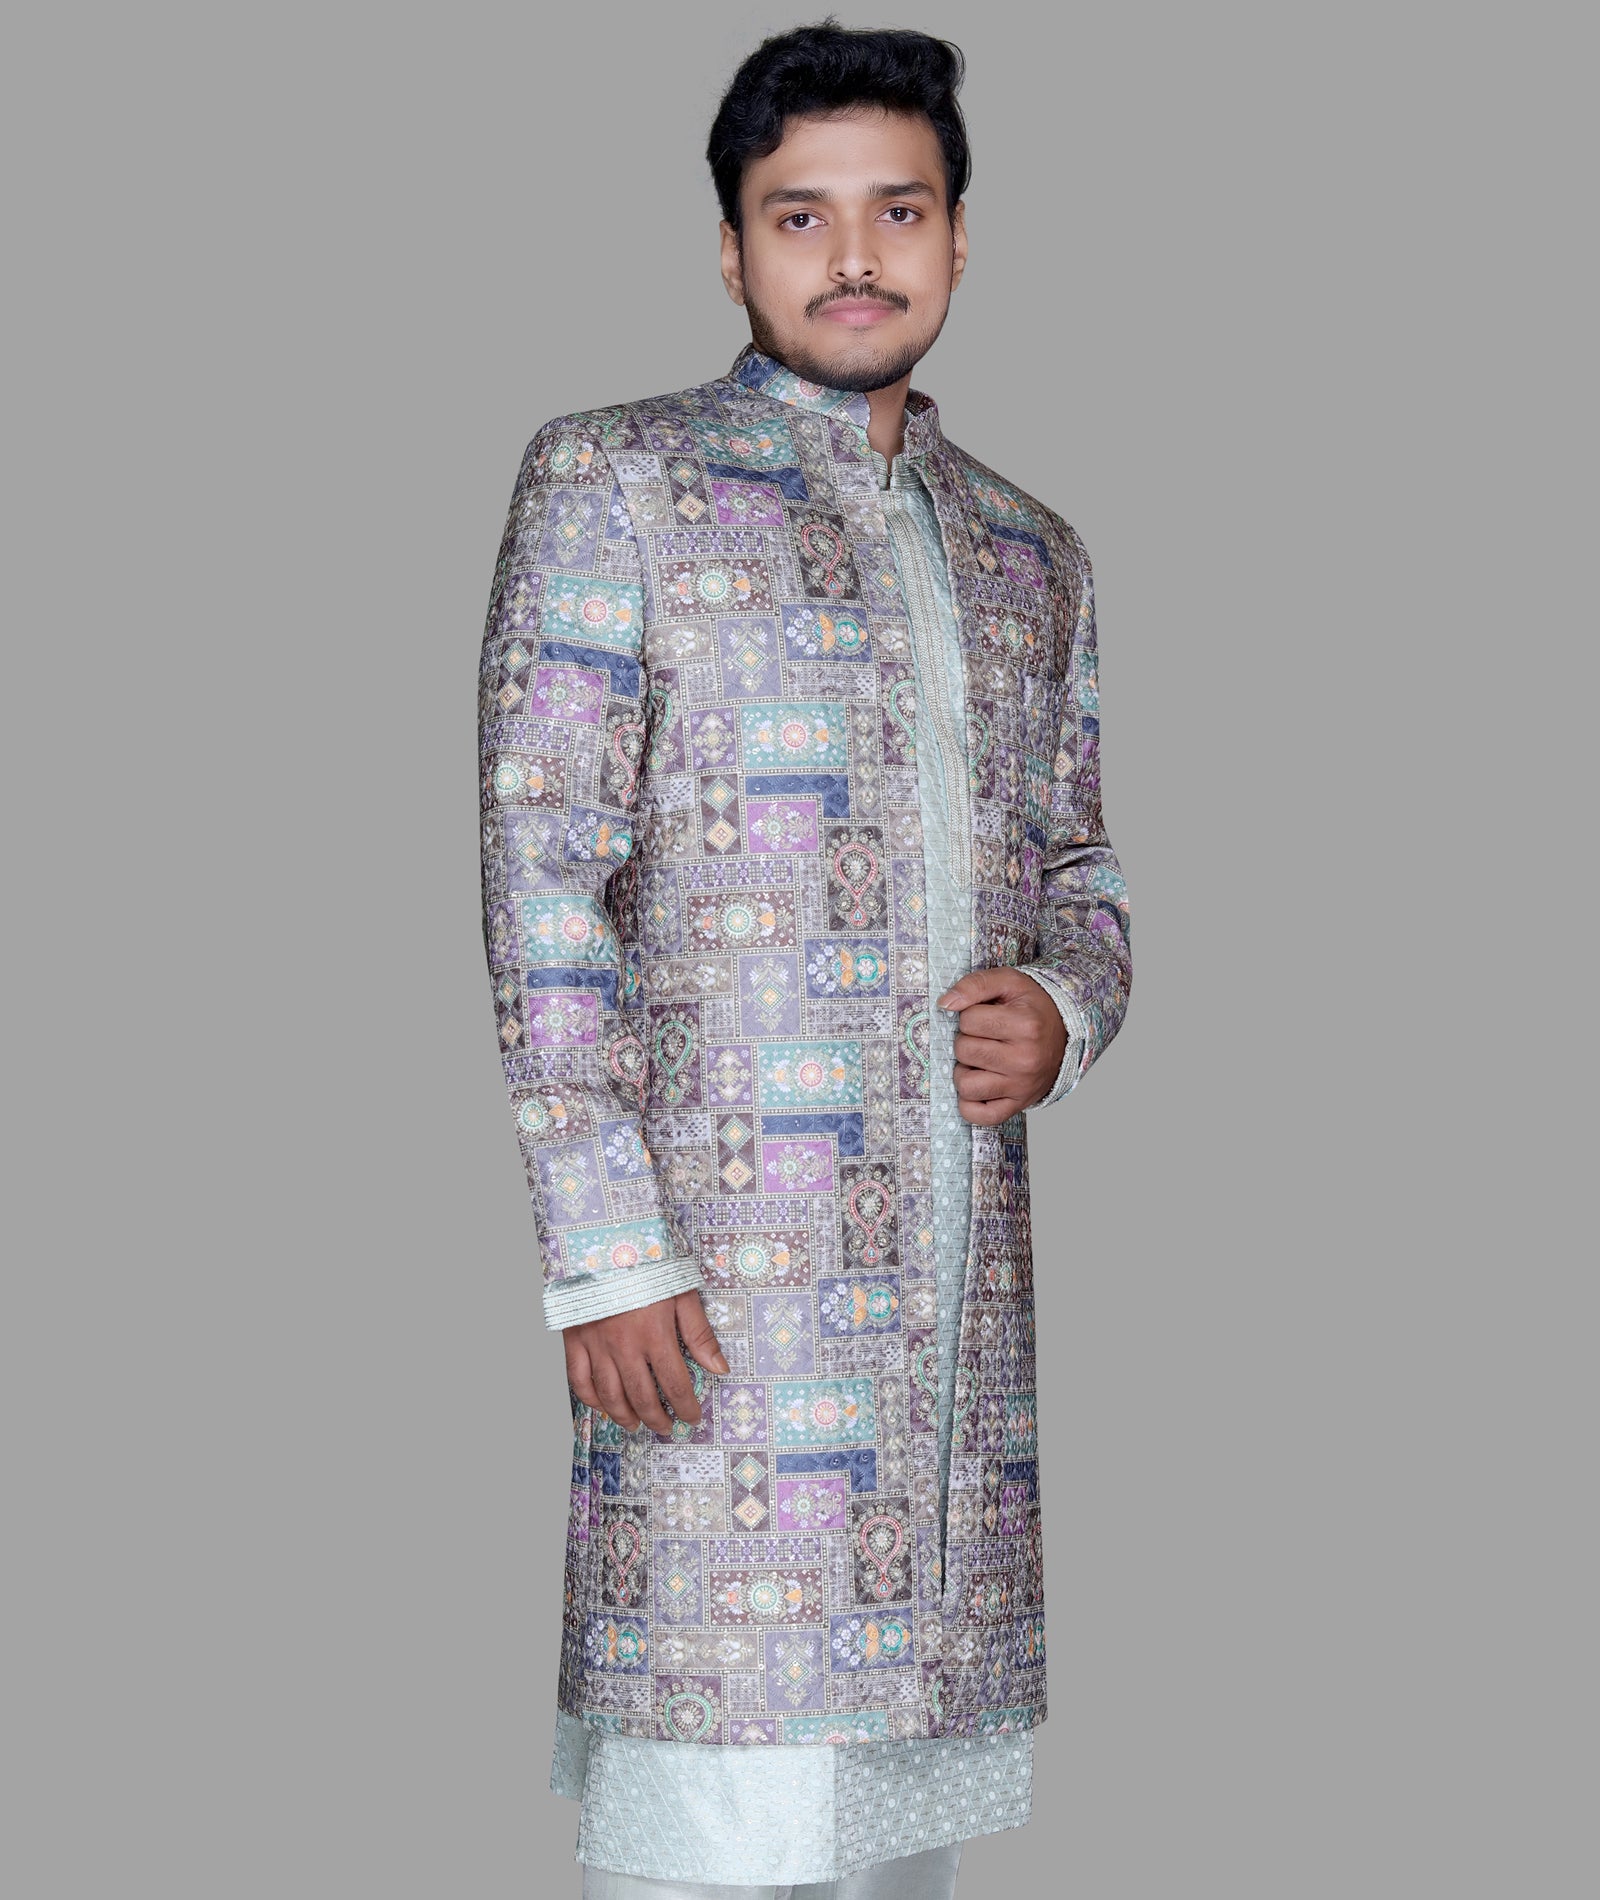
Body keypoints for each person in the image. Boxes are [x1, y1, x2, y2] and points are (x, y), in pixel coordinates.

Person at [475, 21, 1132, 1897]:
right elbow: (543, 871)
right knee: (710, 1825)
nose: (854, 255)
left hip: (953, 1335)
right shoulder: (621, 480)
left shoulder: (1032, 551)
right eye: (800, 214)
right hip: (718, 1296)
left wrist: (1069, 1006)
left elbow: (1083, 866)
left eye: (897, 211)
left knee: (892, 1852)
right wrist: (607, 1248)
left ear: (958, 237)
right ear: (732, 248)